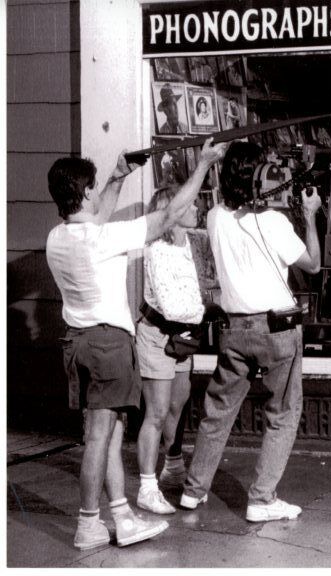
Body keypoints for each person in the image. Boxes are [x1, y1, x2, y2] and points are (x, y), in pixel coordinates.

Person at [46, 137, 227, 550]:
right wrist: (202, 165)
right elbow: (170, 215)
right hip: (108, 345)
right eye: (95, 187)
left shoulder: (58, 237)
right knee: (99, 436)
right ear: (86, 191)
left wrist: (116, 177)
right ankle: (89, 523)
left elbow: (94, 217)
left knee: (106, 433)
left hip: (77, 342)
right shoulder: (102, 239)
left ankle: (122, 515)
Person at [180, 142, 322, 523]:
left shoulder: (213, 217)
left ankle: (194, 490)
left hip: (234, 328)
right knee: (283, 413)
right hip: (276, 329)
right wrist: (309, 216)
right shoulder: (274, 222)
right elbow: (312, 264)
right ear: (260, 178)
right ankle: (261, 498)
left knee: (219, 409)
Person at [133, 185, 206, 515]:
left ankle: (173, 466)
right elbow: (173, 306)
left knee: (178, 404)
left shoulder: (189, 242)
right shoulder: (156, 250)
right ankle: (147, 487)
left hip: (182, 337)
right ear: (171, 211)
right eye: (190, 204)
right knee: (157, 412)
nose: (197, 208)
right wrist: (210, 311)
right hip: (158, 334)